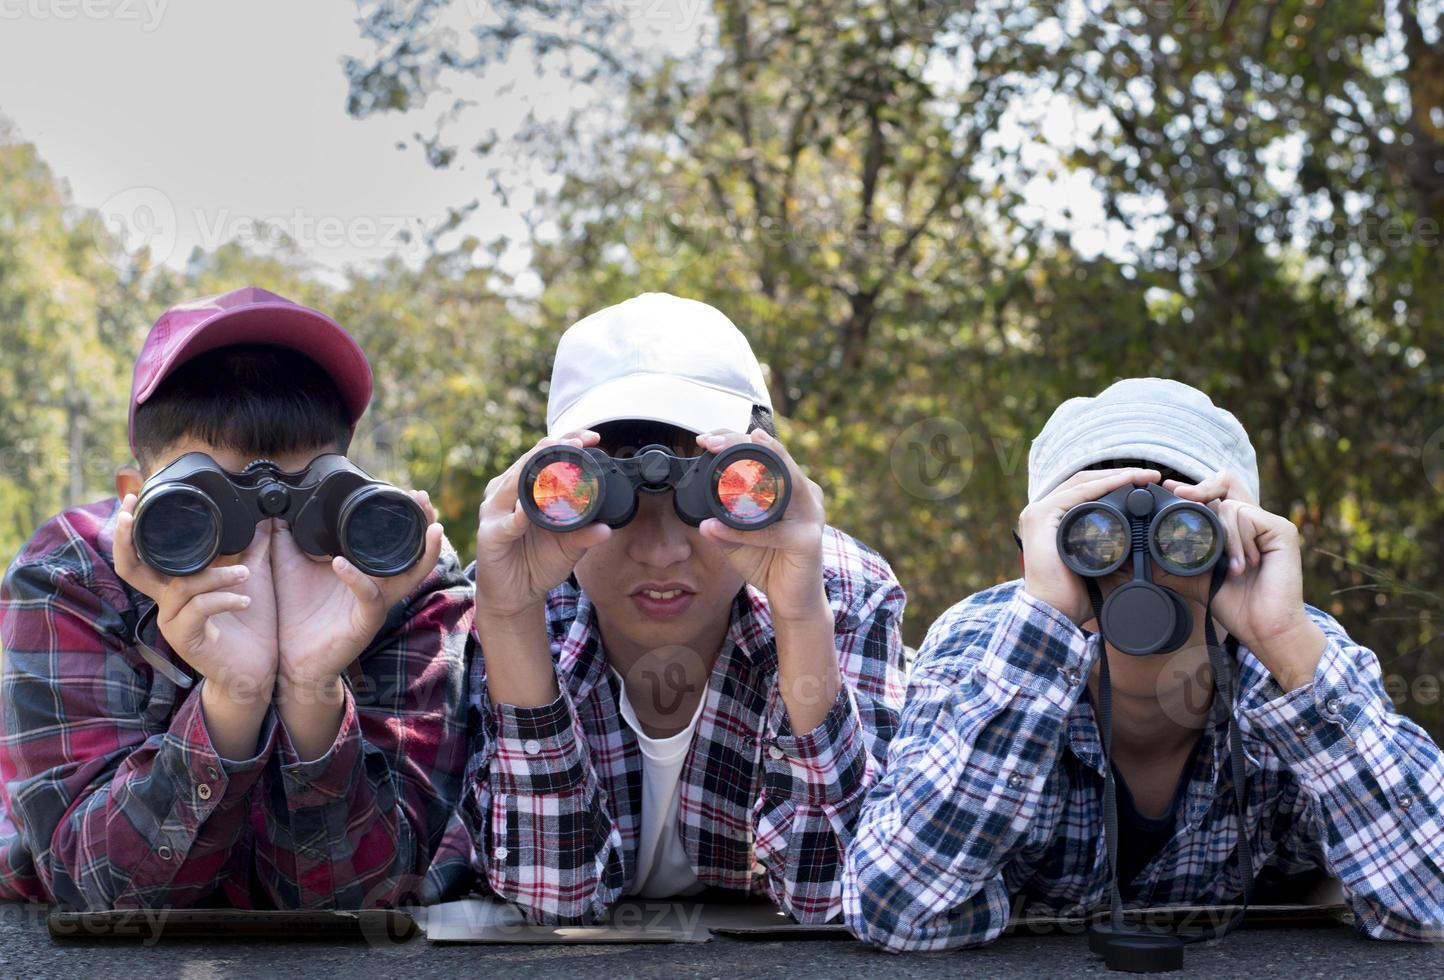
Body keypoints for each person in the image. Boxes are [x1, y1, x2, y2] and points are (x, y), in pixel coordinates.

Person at [844, 378, 1444, 951]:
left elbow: (1433, 906)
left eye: (1184, 533)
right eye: (1093, 532)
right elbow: (893, 908)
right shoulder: (983, 646)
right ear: (1040, 546)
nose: (1141, 562)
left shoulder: (1291, 649)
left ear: (1238, 538)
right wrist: (1044, 629)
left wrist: (1287, 646)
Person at [0, 287, 473, 909]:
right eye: (206, 506)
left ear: (351, 486)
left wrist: (311, 689)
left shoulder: (398, 575)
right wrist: (232, 697)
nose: (260, 538)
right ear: (132, 500)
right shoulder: (73, 572)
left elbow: (371, 896)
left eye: (304, 497)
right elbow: (97, 891)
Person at [458, 292, 906, 924]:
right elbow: (550, 894)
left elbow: (836, 892)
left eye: (710, 496)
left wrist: (802, 618)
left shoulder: (841, 591)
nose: (663, 551)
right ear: (553, 485)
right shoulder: (517, 592)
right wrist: (509, 619)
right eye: (612, 500)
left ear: (768, 480)